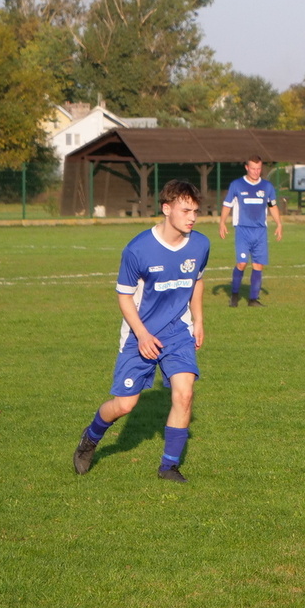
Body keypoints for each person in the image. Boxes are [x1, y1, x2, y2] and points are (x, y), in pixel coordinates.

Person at [73, 180, 210, 482]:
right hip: (141, 332)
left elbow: (197, 280)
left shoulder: (200, 245)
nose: (192, 217)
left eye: (195, 211)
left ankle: (169, 466)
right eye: (185, 211)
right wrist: (144, 335)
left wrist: (198, 320)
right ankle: (91, 438)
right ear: (166, 209)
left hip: (178, 331)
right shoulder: (137, 249)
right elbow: (124, 296)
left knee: (185, 394)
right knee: (125, 405)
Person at [219, 156, 282, 307]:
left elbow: (272, 206)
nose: (256, 172)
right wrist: (222, 222)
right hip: (243, 230)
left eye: (259, 169)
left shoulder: (267, 186)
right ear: (247, 168)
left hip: (260, 231)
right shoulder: (237, 185)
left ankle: (253, 299)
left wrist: (279, 224)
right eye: (253, 169)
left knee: (258, 265)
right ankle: (234, 295)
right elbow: (227, 205)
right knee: (241, 263)